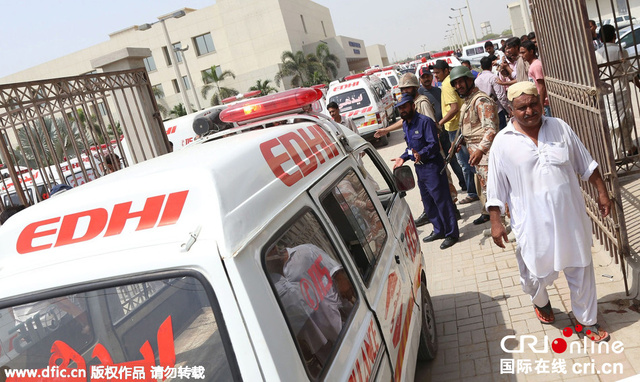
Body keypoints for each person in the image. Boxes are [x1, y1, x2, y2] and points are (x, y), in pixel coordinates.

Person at [487, 81, 612, 343]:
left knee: (580, 265)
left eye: (534, 104)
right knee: (534, 273)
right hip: (531, 223)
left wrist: (601, 191)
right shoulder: (502, 142)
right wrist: (496, 221)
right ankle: (540, 301)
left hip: (570, 217)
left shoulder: (560, 128)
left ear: (541, 102)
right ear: (511, 109)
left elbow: (585, 163)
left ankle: (587, 321)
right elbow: (495, 187)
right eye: (522, 107)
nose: (530, 111)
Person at [375, 73, 462, 225]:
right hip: (420, 156)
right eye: (402, 89)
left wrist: (435, 151)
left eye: (407, 88)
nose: (404, 92)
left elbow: (431, 126)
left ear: (415, 87)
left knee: (443, 187)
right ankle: (436, 216)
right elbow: (404, 121)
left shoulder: (421, 103)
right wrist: (386, 130)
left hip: (431, 152)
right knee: (430, 191)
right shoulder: (409, 104)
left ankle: (451, 216)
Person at [391, 93, 459, 249]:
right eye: (400, 108)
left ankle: (452, 234)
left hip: (433, 167)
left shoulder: (425, 122)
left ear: (412, 106)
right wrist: (403, 157)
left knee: (442, 201)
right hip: (420, 168)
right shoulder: (406, 124)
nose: (403, 110)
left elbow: (433, 145)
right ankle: (439, 230)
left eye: (405, 106)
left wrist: (421, 153)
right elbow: (410, 148)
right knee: (428, 202)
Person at [450, 65, 499, 225]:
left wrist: (480, 150)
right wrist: (460, 142)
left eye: (461, 82)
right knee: (486, 191)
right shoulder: (468, 102)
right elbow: (472, 129)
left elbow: (491, 129)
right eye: (455, 84)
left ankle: (506, 224)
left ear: (469, 80)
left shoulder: (481, 100)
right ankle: (496, 222)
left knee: (495, 191)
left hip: (486, 155)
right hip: (476, 156)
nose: (459, 86)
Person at [432, 59, 479, 205]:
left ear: (446, 71)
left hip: (455, 128)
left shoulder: (447, 84)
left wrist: (439, 124)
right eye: (434, 73)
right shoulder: (447, 83)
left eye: (438, 73)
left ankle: (472, 192)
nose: (436, 76)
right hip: (457, 127)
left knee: (465, 163)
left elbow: (453, 108)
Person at [595, 24, 640, 160]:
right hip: (621, 89)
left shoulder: (597, 53)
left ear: (601, 39)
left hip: (606, 91)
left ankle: (628, 148)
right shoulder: (620, 50)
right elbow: (629, 72)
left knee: (617, 120)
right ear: (615, 36)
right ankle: (617, 155)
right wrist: (638, 84)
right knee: (622, 120)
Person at [477, 56, 509, 131]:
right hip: (497, 110)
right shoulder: (493, 77)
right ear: (491, 66)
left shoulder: (477, 80)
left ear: (481, 66)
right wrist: (508, 110)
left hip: (484, 111)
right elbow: (501, 96)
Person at [521, 40, 551, 117]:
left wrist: (541, 106)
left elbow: (542, 87)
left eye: (523, 52)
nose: (522, 55)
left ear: (531, 51)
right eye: (521, 53)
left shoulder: (536, 66)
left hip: (545, 104)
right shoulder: (532, 65)